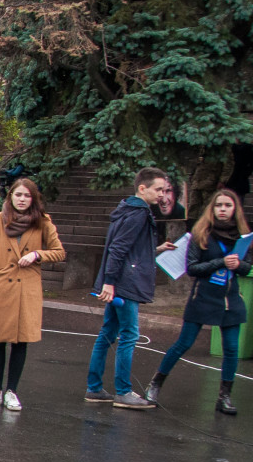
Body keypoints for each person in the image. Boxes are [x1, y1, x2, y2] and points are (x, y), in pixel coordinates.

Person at [144, 189, 249, 415]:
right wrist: (221, 262)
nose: (223, 209)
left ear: (235, 210)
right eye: (219, 205)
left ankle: (224, 397)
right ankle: (155, 384)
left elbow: (247, 266)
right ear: (212, 209)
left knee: (231, 349)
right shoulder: (201, 234)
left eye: (228, 206)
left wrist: (238, 265)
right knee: (184, 343)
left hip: (230, 300)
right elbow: (192, 269)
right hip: (203, 298)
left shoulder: (243, 236)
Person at [0, 178, 65, 411]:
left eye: (27, 196)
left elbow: (59, 252)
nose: (22, 199)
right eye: (18, 195)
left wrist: (37, 255)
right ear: (10, 196)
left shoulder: (42, 222)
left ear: (33, 199)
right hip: (0, 286)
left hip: (27, 289)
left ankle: (12, 391)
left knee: (21, 341)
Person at [88, 167, 173, 409]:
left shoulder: (128, 210)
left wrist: (156, 249)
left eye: (165, 190)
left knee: (107, 334)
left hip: (120, 282)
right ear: (142, 188)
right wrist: (110, 281)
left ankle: (94, 388)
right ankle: (123, 392)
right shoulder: (138, 213)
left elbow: (127, 247)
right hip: (125, 285)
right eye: (158, 190)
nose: (162, 195)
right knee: (128, 336)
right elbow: (118, 248)